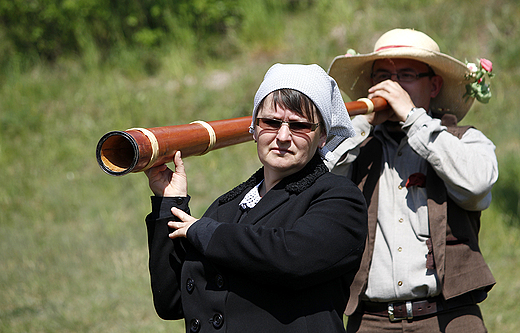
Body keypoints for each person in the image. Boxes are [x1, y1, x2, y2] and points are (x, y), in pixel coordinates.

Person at [144, 63, 368, 333]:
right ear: (254, 127)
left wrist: (204, 232)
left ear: (322, 136)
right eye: (271, 122)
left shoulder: (339, 197)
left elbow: (291, 257)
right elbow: (172, 301)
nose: (282, 136)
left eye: (299, 126)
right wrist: (170, 203)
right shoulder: (226, 208)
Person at [326, 28, 498, 332]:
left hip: (450, 317)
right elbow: (315, 186)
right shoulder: (354, 144)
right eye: (382, 77)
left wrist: (412, 117)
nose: (392, 87)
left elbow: (478, 186)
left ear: (434, 86)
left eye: (406, 75)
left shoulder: (464, 140)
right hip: (370, 321)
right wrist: (360, 125)